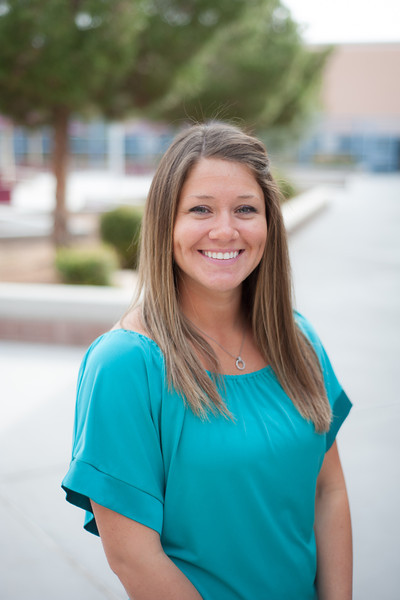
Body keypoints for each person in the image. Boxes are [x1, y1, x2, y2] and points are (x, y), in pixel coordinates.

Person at [62, 122, 353, 600]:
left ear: (268, 223)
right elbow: (133, 557)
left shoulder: (298, 340)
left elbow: (328, 491)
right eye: (200, 209)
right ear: (166, 224)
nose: (225, 229)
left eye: (245, 209)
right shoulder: (124, 364)